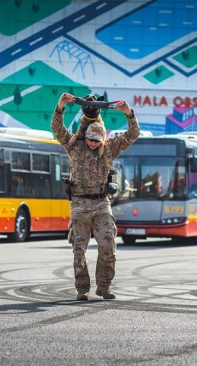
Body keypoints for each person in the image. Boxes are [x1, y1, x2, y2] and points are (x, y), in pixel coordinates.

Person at [51, 92, 139, 301]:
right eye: (90, 139)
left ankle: (104, 286)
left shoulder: (109, 149)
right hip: (80, 203)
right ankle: (82, 289)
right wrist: (60, 105)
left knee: (108, 245)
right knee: (79, 249)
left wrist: (128, 112)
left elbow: (133, 134)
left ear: (102, 139)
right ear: (86, 136)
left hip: (101, 202)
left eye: (96, 140)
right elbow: (57, 128)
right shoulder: (74, 147)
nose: (92, 143)